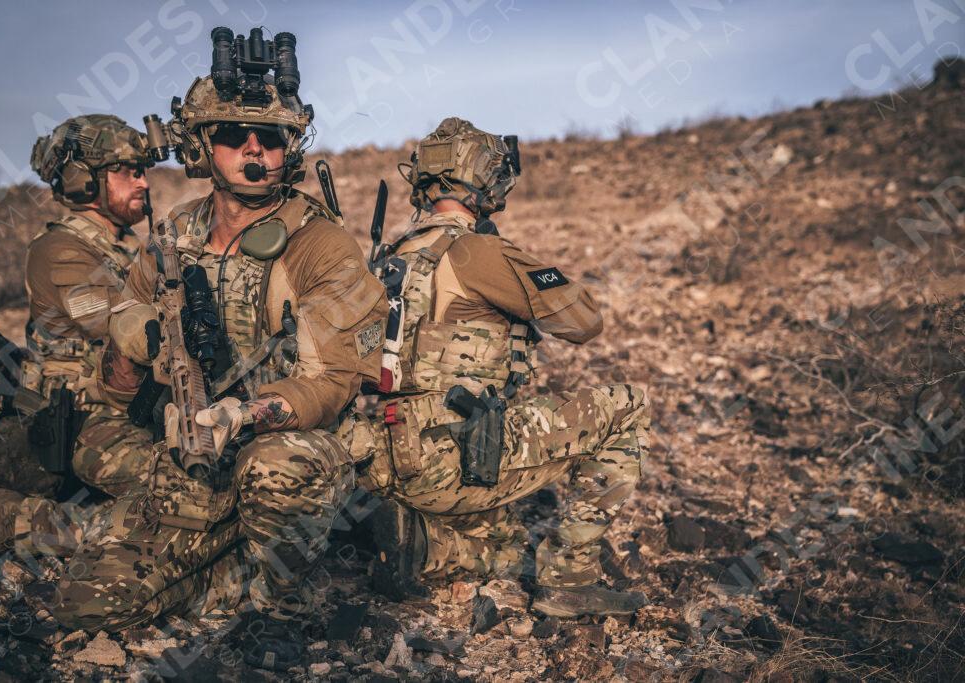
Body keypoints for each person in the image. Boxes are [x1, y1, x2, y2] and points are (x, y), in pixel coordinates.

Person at [49, 29, 386, 665]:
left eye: (271, 138)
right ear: (203, 145)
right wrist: (134, 341)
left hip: (282, 444)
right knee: (87, 603)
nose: (254, 149)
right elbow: (119, 352)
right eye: (233, 134)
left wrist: (245, 414)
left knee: (277, 467)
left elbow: (330, 381)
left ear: (291, 148)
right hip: (189, 450)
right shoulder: (175, 233)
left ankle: (279, 607)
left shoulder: (321, 245)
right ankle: (233, 562)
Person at [357, 117, 651, 618]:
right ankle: (571, 581)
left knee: (510, 549)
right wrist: (515, 265)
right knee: (626, 406)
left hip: (385, 457)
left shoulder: (388, 258)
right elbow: (584, 321)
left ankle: (422, 546)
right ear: (483, 179)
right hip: (457, 454)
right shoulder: (478, 250)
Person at [0, 115, 155, 552]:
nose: (143, 182)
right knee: (172, 491)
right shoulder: (59, 250)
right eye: (127, 171)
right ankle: (22, 520)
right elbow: (126, 327)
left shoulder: (131, 248)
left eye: (143, 170)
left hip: (138, 401)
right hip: (84, 417)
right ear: (83, 181)